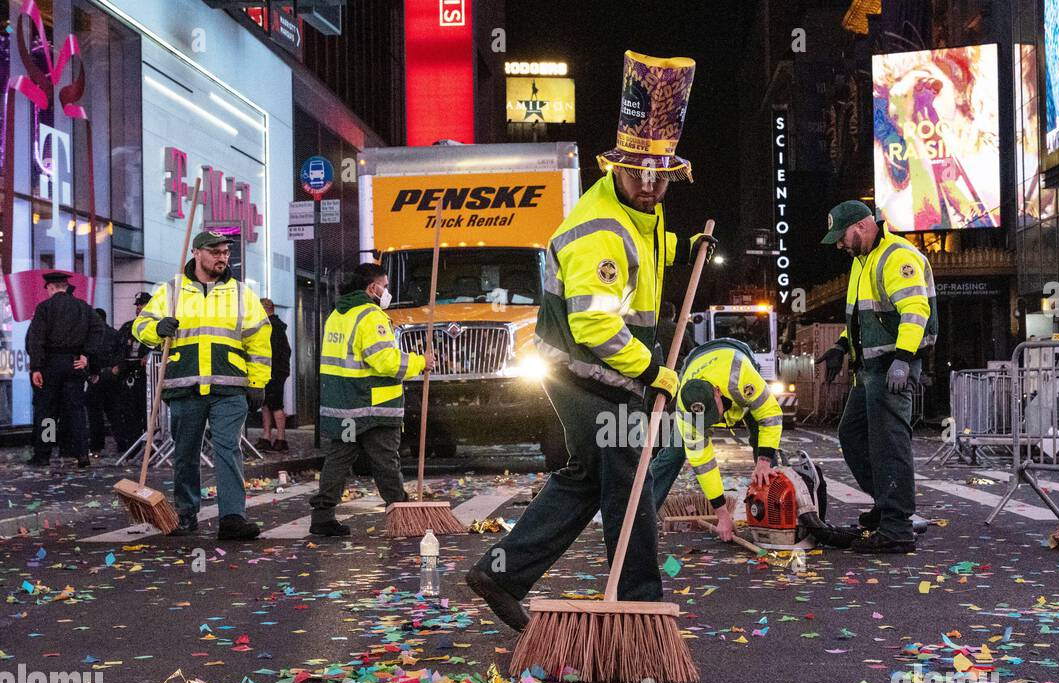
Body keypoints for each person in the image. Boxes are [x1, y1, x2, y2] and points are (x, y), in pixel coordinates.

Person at [466, 50, 712, 632]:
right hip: (590, 374)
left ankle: (500, 573)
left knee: (586, 477)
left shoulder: (637, 213)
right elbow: (598, 325)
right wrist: (654, 371)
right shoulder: (599, 229)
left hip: (593, 372)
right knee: (628, 481)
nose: (650, 185)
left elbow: (641, 264)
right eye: (640, 174)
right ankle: (641, 605)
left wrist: (682, 249)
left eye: (660, 175)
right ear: (615, 168)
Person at [816, 201, 937, 554]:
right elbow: (860, 317)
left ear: (861, 226)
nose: (839, 245)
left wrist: (903, 359)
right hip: (870, 369)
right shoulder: (862, 261)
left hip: (892, 368)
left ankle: (897, 525)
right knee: (852, 434)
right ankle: (888, 505)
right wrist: (841, 345)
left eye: (841, 238)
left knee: (889, 443)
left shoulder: (897, 257)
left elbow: (916, 310)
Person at [133, 231, 271, 540]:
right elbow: (140, 328)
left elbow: (260, 340)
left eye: (225, 252)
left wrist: (258, 382)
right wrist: (157, 327)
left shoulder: (241, 293)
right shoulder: (171, 291)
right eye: (215, 252)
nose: (222, 257)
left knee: (229, 450)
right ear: (197, 253)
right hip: (185, 385)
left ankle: (233, 517)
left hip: (229, 386)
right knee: (185, 453)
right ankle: (186, 514)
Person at [308, 263, 426, 536]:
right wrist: (421, 362)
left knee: (338, 459)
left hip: (344, 405)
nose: (386, 292)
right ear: (372, 288)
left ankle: (322, 516)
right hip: (374, 406)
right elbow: (384, 361)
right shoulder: (371, 316)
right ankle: (401, 513)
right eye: (384, 286)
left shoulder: (338, 315)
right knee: (385, 461)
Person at [649, 339, 782, 541]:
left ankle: (774, 510)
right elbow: (704, 464)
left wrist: (764, 461)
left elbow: (770, 414)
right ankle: (640, 515)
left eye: (712, 415)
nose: (712, 423)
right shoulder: (685, 412)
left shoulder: (740, 375)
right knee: (675, 453)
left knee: (762, 440)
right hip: (694, 362)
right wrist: (722, 515)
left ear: (717, 392)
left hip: (735, 353)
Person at [25, 272, 94, 468]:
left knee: (48, 411)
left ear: (52, 287)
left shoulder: (44, 308)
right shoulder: (83, 307)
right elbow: (98, 330)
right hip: (74, 363)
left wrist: (36, 367)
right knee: (76, 411)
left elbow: (36, 339)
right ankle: (82, 454)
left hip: (51, 364)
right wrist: (85, 355)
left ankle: (44, 454)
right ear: (65, 286)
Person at [109, 293, 154, 451]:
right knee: (128, 413)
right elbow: (115, 347)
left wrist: (149, 355)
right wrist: (116, 364)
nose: (139, 308)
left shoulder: (157, 326)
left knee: (147, 414)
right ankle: (131, 447)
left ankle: (150, 447)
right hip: (128, 375)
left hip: (147, 377)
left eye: (142, 305)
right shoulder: (129, 326)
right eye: (137, 305)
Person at [255, 298, 291, 452]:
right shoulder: (275, 326)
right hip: (272, 371)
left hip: (273, 372)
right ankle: (267, 437)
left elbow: (273, 352)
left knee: (275, 405)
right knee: (267, 404)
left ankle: (280, 439)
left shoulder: (271, 327)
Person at [84, 307, 118, 458]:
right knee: (114, 412)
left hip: (96, 377)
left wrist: (91, 374)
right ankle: (122, 443)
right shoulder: (114, 334)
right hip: (111, 376)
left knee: (95, 414)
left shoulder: (92, 336)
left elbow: (92, 355)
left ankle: (96, 446)